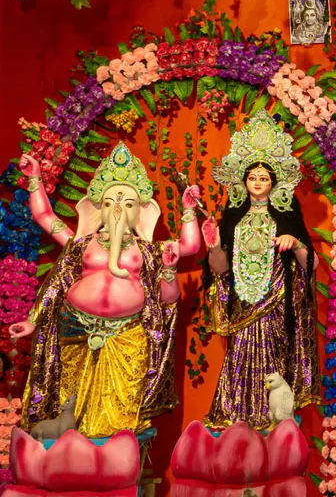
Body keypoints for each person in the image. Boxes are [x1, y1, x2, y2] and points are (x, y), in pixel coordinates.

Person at [12, 143, 201, 437]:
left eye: (127, 204)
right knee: (70, 403)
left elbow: (189, 247)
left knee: (122, 406)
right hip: (74, 327)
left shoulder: (149, 250)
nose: (117, 210)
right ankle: (68, 456)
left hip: (127, 334)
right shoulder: (80, 243)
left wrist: (188, 210)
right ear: (96, 208)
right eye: (111, 202)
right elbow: (46, 218)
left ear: (141, 213)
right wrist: (35, 179)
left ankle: (115, 456)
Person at [201, 111, 320, 429]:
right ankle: (238, 422)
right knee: (238, 360)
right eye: (252, 178)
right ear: (243, 181)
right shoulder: (233, 220)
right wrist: (213, 246)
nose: (257, 183)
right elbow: (221, 270)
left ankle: (274, 423)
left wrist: (294, 243)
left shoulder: (286, 217)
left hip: (276, 307)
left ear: (274, 182)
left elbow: (312, 266)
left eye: (263, 178)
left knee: (274, 362)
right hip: (243, 306)